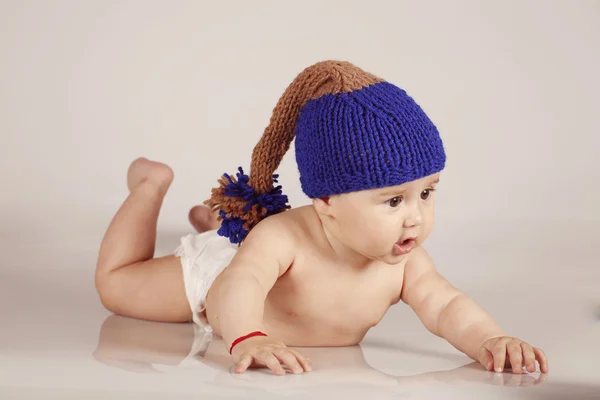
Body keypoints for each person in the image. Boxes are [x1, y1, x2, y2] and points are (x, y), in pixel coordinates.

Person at [94, 60, 548, 376]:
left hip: (251, 258)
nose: (416, 218)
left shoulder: (406, 262)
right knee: (117, 286)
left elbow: (447, 306)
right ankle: (151, 185)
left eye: (426, 193)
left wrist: (491, 339)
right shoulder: (284, 239)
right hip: (217, 281)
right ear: (326, 202)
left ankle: (216, 220)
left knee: (237, 240)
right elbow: (241, 284)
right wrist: (248, 337)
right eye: (394, 201)